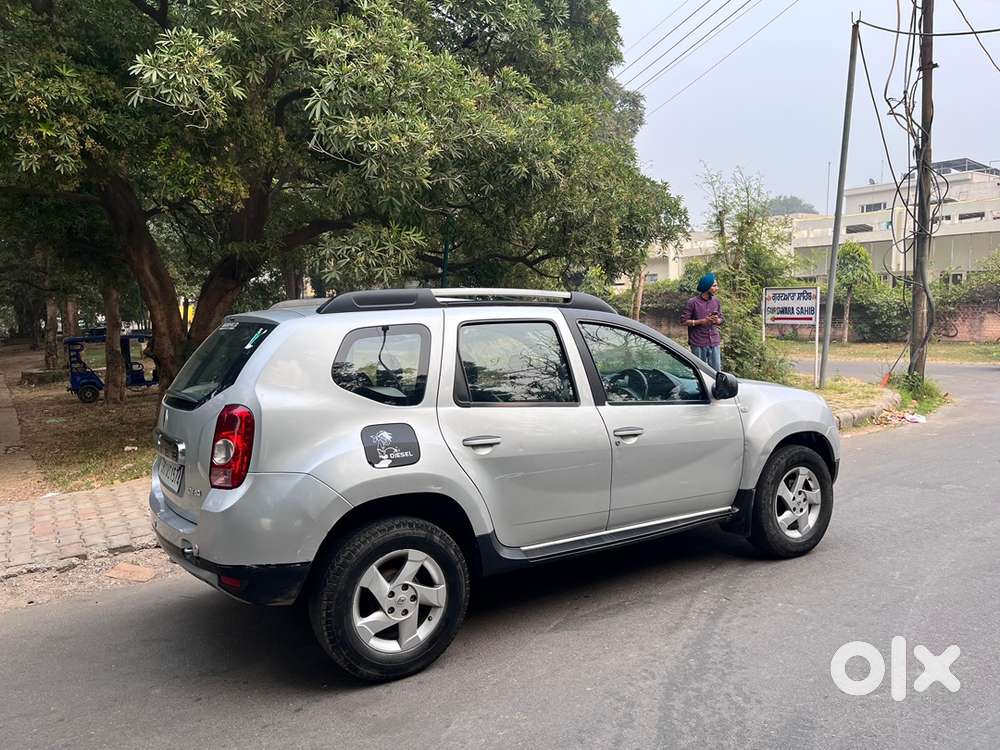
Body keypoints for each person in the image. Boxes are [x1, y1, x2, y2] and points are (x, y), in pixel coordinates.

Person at [682, 273, 723, 370]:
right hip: (698, 342)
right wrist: (702, 321)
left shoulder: (716, 301)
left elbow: (722, 319)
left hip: (714, 341)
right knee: (700, 372)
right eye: (714, 286)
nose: (717, 288)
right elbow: (683, 321)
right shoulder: (692, 302)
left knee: (716, 372)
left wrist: (717, 320)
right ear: (707, 287)